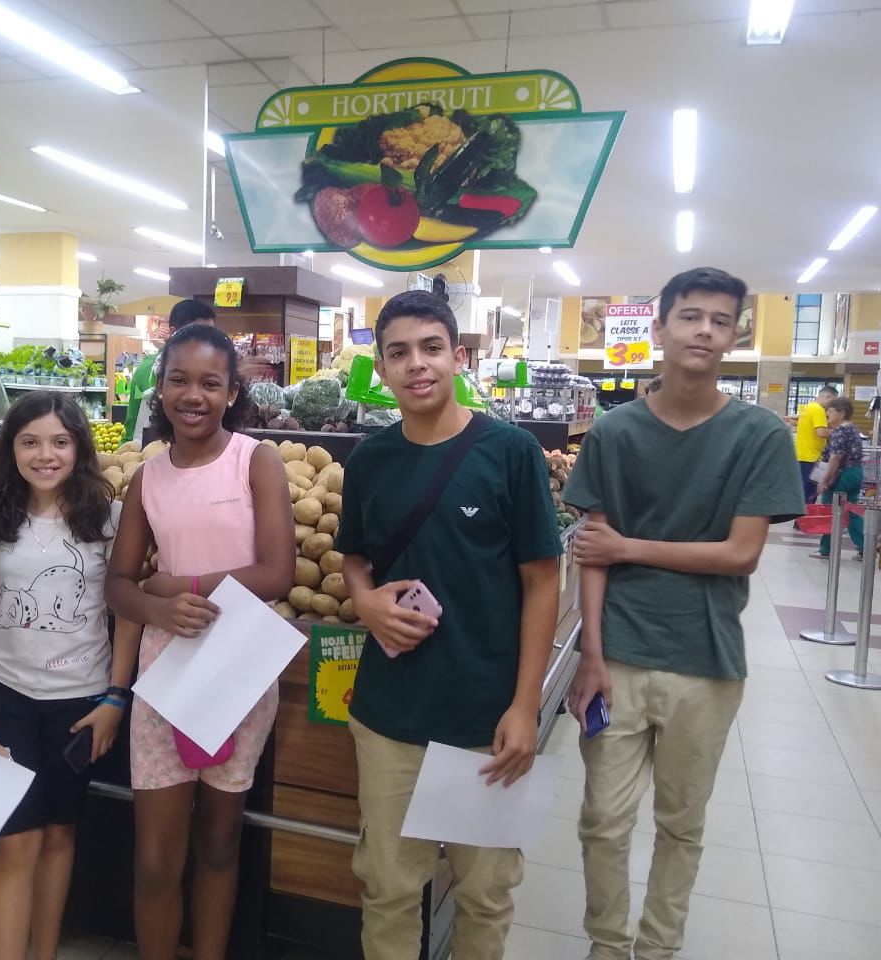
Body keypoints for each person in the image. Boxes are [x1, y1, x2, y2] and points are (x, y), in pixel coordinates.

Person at [563, 267, 804, 960]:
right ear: (660, 327)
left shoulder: (760, 435)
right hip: (619, 654)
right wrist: (590, 656)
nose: (704, 331)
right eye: (691, 316)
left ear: (734, 336)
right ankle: (608, 946)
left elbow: (741, 554)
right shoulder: (613, 433)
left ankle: (657, 948)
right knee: (602, 820)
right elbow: (593, 555)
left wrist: (630, 546)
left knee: (681, 823)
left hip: (707, 658)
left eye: (720, 320)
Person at [335, 289, 563, 960]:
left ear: (458, 357)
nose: (417, 364)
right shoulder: (369, 460)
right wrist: (365, 601)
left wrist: (525, 706)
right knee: (388, 888)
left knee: (485, 894)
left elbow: (542, 581)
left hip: (484, 720)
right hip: (390, 715)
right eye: (399, 353)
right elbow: (354, 558)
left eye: (431, 348)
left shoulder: (511, 452)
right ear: (381, 368)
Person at [105, 323, 294, 960]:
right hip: (166, 673)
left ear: (232, 392)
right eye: (179, 380)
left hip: (240, 670)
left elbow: (278, 572)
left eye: (211, 383)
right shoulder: (148, 479)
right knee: (156, 857)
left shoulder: (256, 460)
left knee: (219, 843)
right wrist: (158, 606)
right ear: (158, 388)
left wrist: (182, 585)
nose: (194, 396)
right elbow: (118, 586)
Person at [0, 391, 142, 960]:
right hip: (7, 696)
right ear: (11, 448)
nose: (45, 455)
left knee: (59, 833)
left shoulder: (108, 519)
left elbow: (126, 613)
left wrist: (115, 698)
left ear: (78, 448)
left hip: (82, 702)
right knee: (15, 838)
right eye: (29, 442)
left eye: (59, 442)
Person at [123, 298, 218, 442]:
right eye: (197, 336)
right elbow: (132, 425)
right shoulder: (146, 370)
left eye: (211, 336)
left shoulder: (216, 373)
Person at [812, 395, 865, 561]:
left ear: (841, 413)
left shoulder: (840, 431)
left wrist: (824, 480)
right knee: (852, 511)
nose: (827, 414)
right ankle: (865, 547)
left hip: (842, 476)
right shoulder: (853, 429)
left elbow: (835, 458)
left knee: (830, 511)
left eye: (830, 411)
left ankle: (825, 549)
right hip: (856, 473)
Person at [794, 385, 836, 503]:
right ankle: (804, 515)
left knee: (803, 492)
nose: (832, 406)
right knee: (809, 494)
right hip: (811, 457)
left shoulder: (808, 407)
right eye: (833, 401)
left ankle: (800, 515)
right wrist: (839, 431)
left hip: (802, 455)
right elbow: (821, 432)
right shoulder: (818, 410)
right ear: (828, 397)